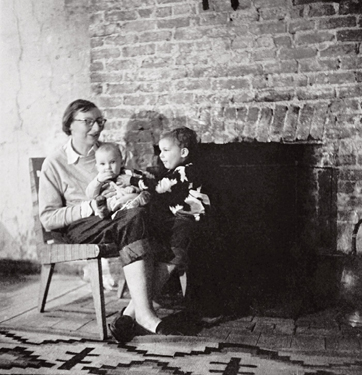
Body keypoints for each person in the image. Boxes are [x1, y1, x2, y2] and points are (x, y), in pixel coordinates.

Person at [38, 99, 181, 343]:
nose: (97, 128)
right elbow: (48, 218)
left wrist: (136, 191)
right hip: (81, 226)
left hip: (119, 218)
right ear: (70, 125)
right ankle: (144, 314)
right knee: (135, 219)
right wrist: (90, 207)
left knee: (176, 225)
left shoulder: (109, 153)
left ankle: (131, 314)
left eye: (100, 121)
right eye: (89, 122)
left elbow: (130, 184)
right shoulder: (55, 162)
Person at [86, 142, 150, 219]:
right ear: (97, 167)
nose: (108, 167)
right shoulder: (99, 180)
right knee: (104, 202)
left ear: (122, 163)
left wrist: (133, 188)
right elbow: (90, 195)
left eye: (112, 162)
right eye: (102, 164)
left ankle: (132, 204)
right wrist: (98, 181)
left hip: (126, 198)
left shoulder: (127, 173)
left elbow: (139, 183)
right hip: (111, 201)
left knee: (135, 196)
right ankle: (103, 211)